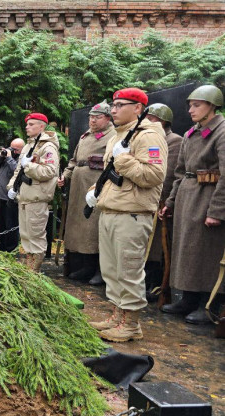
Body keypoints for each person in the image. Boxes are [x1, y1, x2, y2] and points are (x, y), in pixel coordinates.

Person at [86, 88, 167, 342]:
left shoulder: (149, 136)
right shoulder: (118, 136)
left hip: (132, 214)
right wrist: (94, 191)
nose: (114, 109)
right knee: (111, 270)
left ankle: (131, 324)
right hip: (111, 210)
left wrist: (124, 162)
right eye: (114, 105)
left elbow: (154, 176)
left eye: (121, 105)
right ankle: (117, 316)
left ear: (138, 108)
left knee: (128, 270)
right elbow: (113, 176)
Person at [160, 85, 225, 324]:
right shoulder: (191, 133)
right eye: (190, 105)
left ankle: (209, 304)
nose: (191, 109)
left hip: (207, 197)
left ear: (212, 106)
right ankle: (188, 298)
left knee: (206, 252)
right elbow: (180, 172)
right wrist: (171, 201)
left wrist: (217, 210)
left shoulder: (222, 131)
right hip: (188, 196)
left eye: (197, 105)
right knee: (186, 250)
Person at [58, 101, 115, 285]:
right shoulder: (85, 136)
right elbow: (74, 161)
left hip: (95, 186)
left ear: (107, 118)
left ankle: (99, 269)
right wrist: (65, 176)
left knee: (94, 228)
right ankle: (85, 266)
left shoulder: (113, 136)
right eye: (91, 117)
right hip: (78, 187)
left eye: (97, 117)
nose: (92, 120)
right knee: (80, 228)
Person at [6, 113, 60, 272]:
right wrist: (11, 187)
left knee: (35, 237)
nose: (27, 127)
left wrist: (29, 167)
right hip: (24, 196)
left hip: (37, 198)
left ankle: (33, 271)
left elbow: (50, 171)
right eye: (27, 124)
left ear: (41, 126)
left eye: (31, 124)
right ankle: (29, 268)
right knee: (26, 236)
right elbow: (18, 170)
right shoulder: (29, 145)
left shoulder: (47, 147)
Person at [143, 103, 183, 302]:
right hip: (146, 198)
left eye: (152, 118)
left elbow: (170, 173)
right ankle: (146, 282)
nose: (148, 121)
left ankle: (156, 284)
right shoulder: (148, 137)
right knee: (146, 245)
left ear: (163, 121)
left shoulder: (174, 140)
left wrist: (166, 200)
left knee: (159, 246)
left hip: (160, 200)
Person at [0, 138, 25, 252]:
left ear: (21, 150)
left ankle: (10, 250)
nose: (11, 150)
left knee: (10, 226)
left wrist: (10, 158)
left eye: (15, 149)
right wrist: (1, 156)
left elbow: (18, 171)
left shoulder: (22, 159)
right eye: (10, 147)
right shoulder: (5, 158)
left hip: (10, 199)